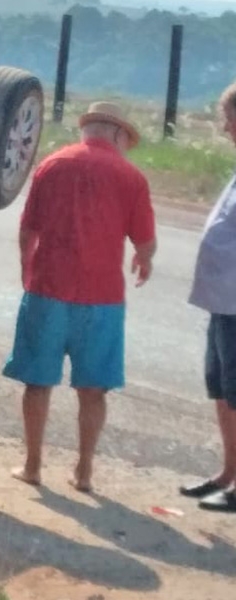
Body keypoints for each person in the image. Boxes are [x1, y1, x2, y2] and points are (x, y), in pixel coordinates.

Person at [3, 101, 157, 493]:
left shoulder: (52, 165)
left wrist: (27, 268)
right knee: (93, 390)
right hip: (102, 299)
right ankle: (84, 471)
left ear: (87, 129)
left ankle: (32, 465)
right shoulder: (131, 177)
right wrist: (144, 260)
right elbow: (145, 241)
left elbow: (27, 231)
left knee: (37, 383)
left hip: (47, 290)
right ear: (119, 134)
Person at [179, 81, 236, 513]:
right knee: (220, 388)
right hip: (222, 302)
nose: (224, 127)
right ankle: (228, 472)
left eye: (228, 118)